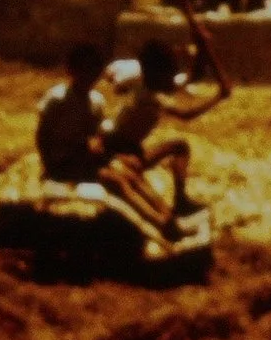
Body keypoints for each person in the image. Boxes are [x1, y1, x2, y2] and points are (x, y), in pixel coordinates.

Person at [34, 40, 177, 232]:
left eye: (93, 71)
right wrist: (49, 164)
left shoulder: (96, 101)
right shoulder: (57, 98)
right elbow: (43, 134)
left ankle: (166, 212)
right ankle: (157, 222)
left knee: (130, 172)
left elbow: (96, 134)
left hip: (85, 158)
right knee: (117, 180)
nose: (89, 76)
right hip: (62, 162)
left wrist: (98, 144)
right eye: (83, 70)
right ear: (71, 70)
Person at [96, 36, 229, 217]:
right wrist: (218, 97)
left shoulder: (150, 86)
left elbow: (188, 79)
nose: (171, 79)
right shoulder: (150, 97)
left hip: (132, 150)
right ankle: (166, 214)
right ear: (156, 74)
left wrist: (201, 54)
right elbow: (185, 114)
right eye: (169, 73)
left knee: (180, 147)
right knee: (142, 183)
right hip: (117, 152)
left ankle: (181, 200)